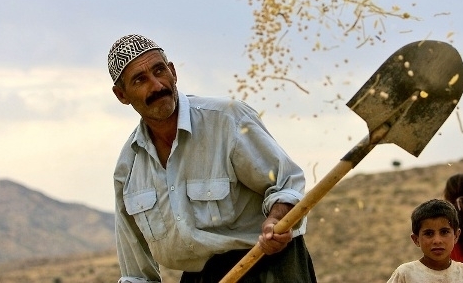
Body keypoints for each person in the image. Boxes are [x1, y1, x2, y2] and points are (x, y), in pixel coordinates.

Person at [107, 34, 318, 283]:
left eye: (159, 70)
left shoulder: (227, 120)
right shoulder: (128, 168)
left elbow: (286, 184)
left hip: (268, 263)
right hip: (200, 276)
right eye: (140, 80)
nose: (157, 86)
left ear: (173, 71)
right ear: (122, 95)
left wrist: (276, 220)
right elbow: (136, 273)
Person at [387, 198, 463, 282]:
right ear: (416, 239)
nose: (437, 240)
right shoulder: (405, 274)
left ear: (456, 236)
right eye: (429, 233)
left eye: (444, 232)